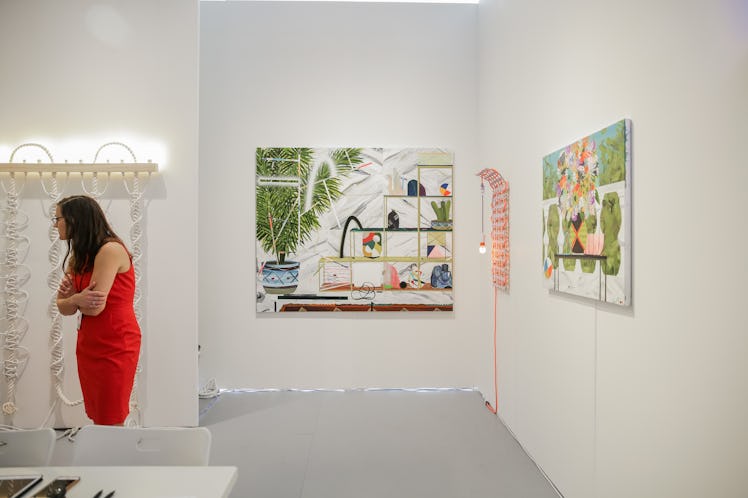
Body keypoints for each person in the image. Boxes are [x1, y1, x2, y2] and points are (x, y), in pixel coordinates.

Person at [54, 195, 141, 425]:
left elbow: (94, 308)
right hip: (90, 343)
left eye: (58, 219)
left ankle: (114, 458)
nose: (55, 225)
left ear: (74, 219)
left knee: (111, 415)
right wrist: (76, 298)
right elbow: (62, 307)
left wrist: (73, 299)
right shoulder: (80, 255)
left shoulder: (109, 250)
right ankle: (106, 457)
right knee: (98, 414)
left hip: (115, 341)